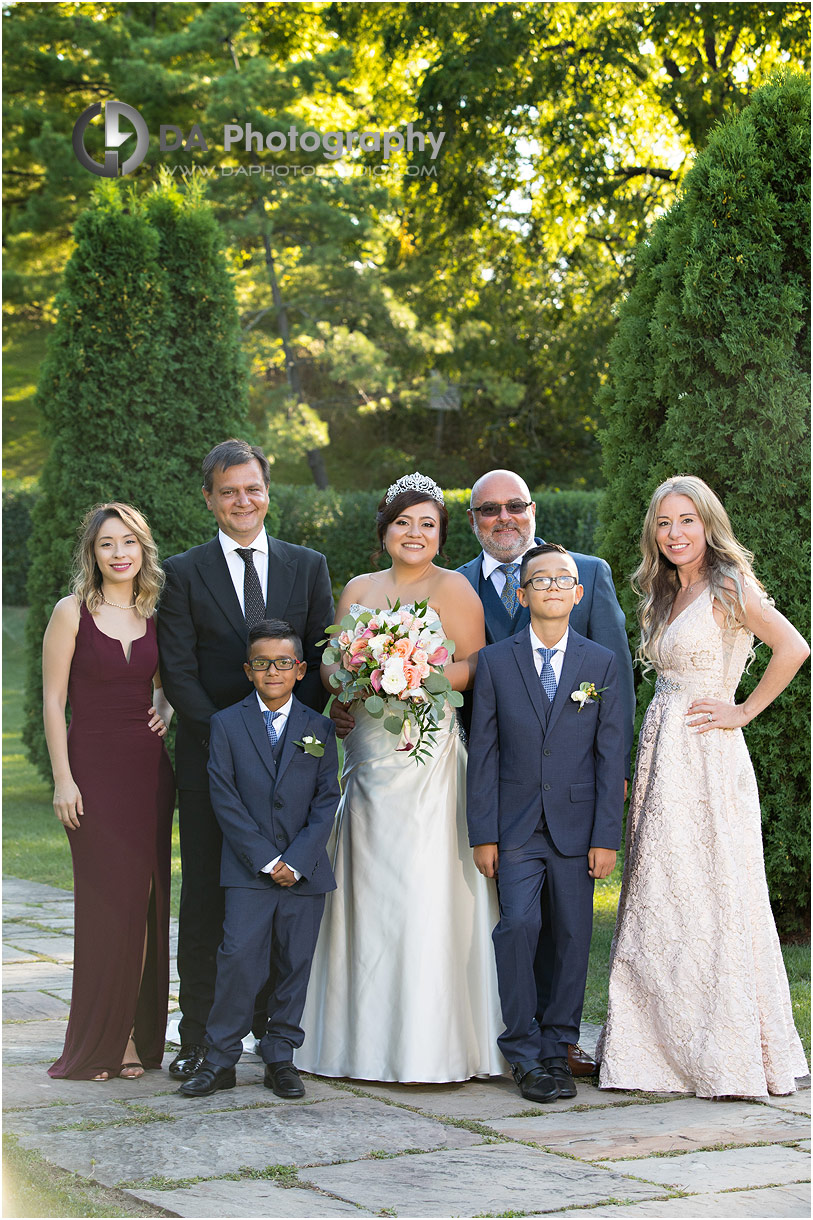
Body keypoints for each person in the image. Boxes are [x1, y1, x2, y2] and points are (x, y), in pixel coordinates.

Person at [599, 475, 809, 1098]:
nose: (674, 534)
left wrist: (741, 710)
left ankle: (726, 1051)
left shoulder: (726, 584)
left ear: (707, 523)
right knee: (663, 892)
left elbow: (793, 646)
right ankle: (657, 1052)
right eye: (664, 523)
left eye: (686, 520)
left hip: (708, 759)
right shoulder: (666, 592)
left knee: (714, 892)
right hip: (664, 755)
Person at [297, 473, 506, 1082]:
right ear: (385, 530)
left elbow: (473, 665)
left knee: (424, 883)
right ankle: (353, 1038)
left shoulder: (457, 588)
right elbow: (335, 671)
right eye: (403, 523)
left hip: (427, 752)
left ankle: (433, 1041)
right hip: (367, 752)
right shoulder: (359, 589)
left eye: (427, 524)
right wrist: (357, 675)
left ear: (441, 534)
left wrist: (417, 670)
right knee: (366, 883)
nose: (414, 534)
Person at [157, 439, 334, 1080]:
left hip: (293, 769)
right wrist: (235, 739)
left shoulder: (307, 566)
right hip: (214, 769)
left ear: (268, 492)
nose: (242, 501)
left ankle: (272, 1038)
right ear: (209, 498)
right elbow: (177, 672)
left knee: (280, 902)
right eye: (228, 490)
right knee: (209, 899)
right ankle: (201, 1036)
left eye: (252, 488)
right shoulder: (182, 572)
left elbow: (316, 667)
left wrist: (286, 743)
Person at [458, 468, 635, 1078]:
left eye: (515, 506)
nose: (503, 518)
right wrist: (483, 829)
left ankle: (560, 1045)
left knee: (570, 934)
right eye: (489, 510)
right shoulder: (468, 604)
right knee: (520, 925)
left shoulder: (597, 648)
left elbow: (613, 730)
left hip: (579, 812)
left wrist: (608, 825)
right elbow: (481, 744)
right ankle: (523, 1045)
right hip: (512, 815)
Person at [178, 620, 339, 1100]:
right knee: (238, 961)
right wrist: (268, 861)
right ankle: (221, 1056)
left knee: (295, 963)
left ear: (300, 669)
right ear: (249, 670)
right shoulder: (226, 724)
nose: (274, 671)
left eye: (284, 663)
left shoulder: (319, 726)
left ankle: (280, 1056)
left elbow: (327, 799)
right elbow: (223, 799)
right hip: (249, 872)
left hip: (305, 872)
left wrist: (297, 858)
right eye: (263, 663)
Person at [45, 503, 175, 1081]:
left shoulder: (155, 613)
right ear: (91, 554)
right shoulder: (70, 612)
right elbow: (52, 701)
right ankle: (94, 1042)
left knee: (143, 906)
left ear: (143, 549)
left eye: (128, 542)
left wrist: (165, 709)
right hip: (91, 773)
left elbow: (169, 683)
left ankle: (128, 1039)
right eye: (106, 544)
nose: (119, 552)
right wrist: (63, 779)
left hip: (147, 772)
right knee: (106, 907)